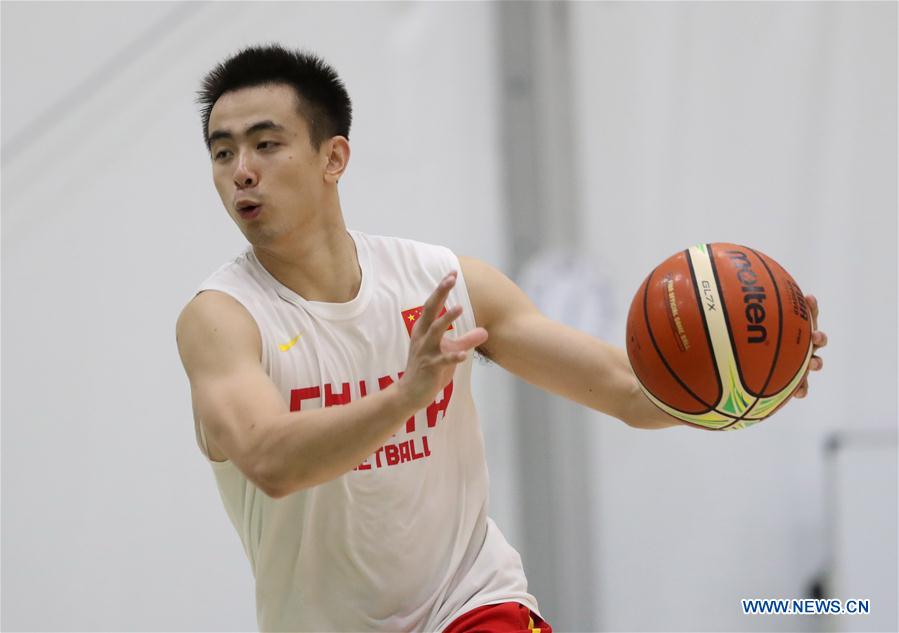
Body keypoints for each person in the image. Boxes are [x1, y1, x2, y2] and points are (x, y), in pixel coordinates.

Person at [175, 44, 826, 632]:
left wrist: (737, 391)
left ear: (333, 156)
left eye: (265, 144)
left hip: (470, 603)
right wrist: (405, 396)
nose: (241, 171)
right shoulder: (221, 318)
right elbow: (270, 461)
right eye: (222, 151)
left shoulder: (441, 281)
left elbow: (627, 389)